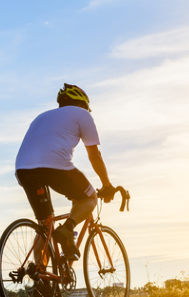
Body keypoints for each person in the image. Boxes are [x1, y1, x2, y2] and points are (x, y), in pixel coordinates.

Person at [15, 84, 116, 263]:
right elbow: (94, 155)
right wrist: (107, 185)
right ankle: (68, 228)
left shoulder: (41, 117)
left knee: (45, 225)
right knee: (90, 197)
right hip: (54, 166)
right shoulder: (83, 115)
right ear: (82, 105)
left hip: (23, 168)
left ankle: (41, 278)